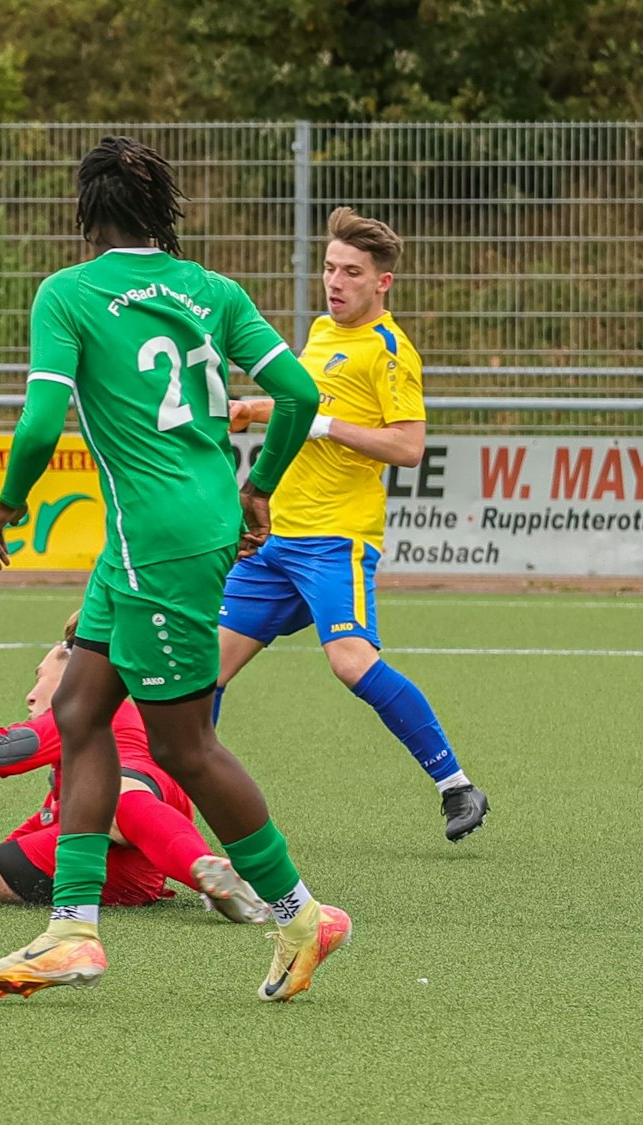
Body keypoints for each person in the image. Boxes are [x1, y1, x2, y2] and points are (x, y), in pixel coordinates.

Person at [0, 136, 350, 1002]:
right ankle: (73, 929)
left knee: (183, 742)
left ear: (85, 214)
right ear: (161, 214)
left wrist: (11, 504)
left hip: (158, 542)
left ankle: (300, 914)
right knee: (79, 705)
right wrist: (259, 488)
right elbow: (299, 394)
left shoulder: (68, 293)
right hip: (163, 531)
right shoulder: (209, 289)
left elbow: (37, 427)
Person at [219, 208, 489, 841]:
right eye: (330, 268)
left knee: (349, 662)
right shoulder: (319, 332)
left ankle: (456, 787)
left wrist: (321, 425)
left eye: (352, 272)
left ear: (382, 282)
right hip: (276, 539)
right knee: (207, 668)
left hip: (336, 540)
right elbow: (307, 403)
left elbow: (408, 446)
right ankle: (168, 797)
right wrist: (254, 409)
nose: (335, 282)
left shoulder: (389, 351)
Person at [0, 618, 267, 924]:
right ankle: (207, 873)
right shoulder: (69, 787)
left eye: (39, 677)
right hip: (129, 880)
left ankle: (203, 870)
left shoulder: (87, 708)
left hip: (136, 797)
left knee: (119, 799)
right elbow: (10, 848)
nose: (29, 694)